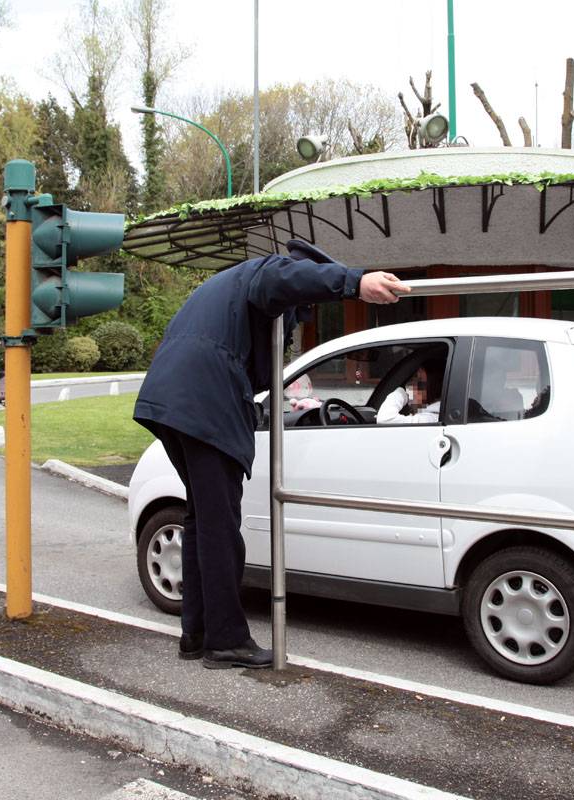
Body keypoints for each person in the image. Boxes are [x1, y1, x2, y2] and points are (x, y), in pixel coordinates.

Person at [133, 239, 408, 669]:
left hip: (171, 401)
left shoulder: (228, 286)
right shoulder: (270, 271)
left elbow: (255, 370)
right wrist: (355, 283)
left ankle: (197, 632)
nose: (300, 319)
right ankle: (225, 640)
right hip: (203, 402)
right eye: (302, 309)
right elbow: (287, 279)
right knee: (221, 525)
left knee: (203, 520)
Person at [376, 360, 444, 424]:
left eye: (419, 382)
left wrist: (401, 392)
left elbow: (385, 419)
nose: (412, 386)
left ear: (435, 387)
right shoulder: (437, 415)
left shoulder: (429, 418)